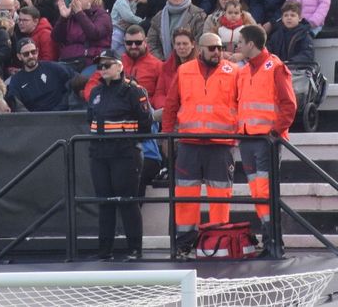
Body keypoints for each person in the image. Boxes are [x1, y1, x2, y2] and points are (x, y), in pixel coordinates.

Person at [163, 31, 241, 258]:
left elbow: (243, 103)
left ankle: (220, 241)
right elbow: (171, 105)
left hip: (221, 144)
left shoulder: (234, 72)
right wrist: (167, 135)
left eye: (220, 48)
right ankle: (184, 243)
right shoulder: (184, 70)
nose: (217, 52)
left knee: (220, 196)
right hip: (189, 143)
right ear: (200, 49)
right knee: (185, 196)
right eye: (212, 48)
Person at [85, 49, 151, 260]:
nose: (102, 69)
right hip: (99, 153)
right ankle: (104, 250)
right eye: (100, 66)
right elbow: (90, 120)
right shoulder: (96, 92)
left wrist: (127, 141)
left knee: (128, 201)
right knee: (105, 202)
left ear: (120, 66)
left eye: (107, 65)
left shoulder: (134, 91)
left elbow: (146, 122)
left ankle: (135, 250)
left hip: (125, 153)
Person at [236, 24, 296, 237]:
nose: (237, 46)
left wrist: (275, 132)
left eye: (240, 42)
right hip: (247, 138)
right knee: (256, 191)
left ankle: (273, 238)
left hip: (266, 139)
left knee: (264, 190)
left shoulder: (275, 67)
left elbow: (289, 104)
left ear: (251, 44)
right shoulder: (244, 71)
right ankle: (269, 235)